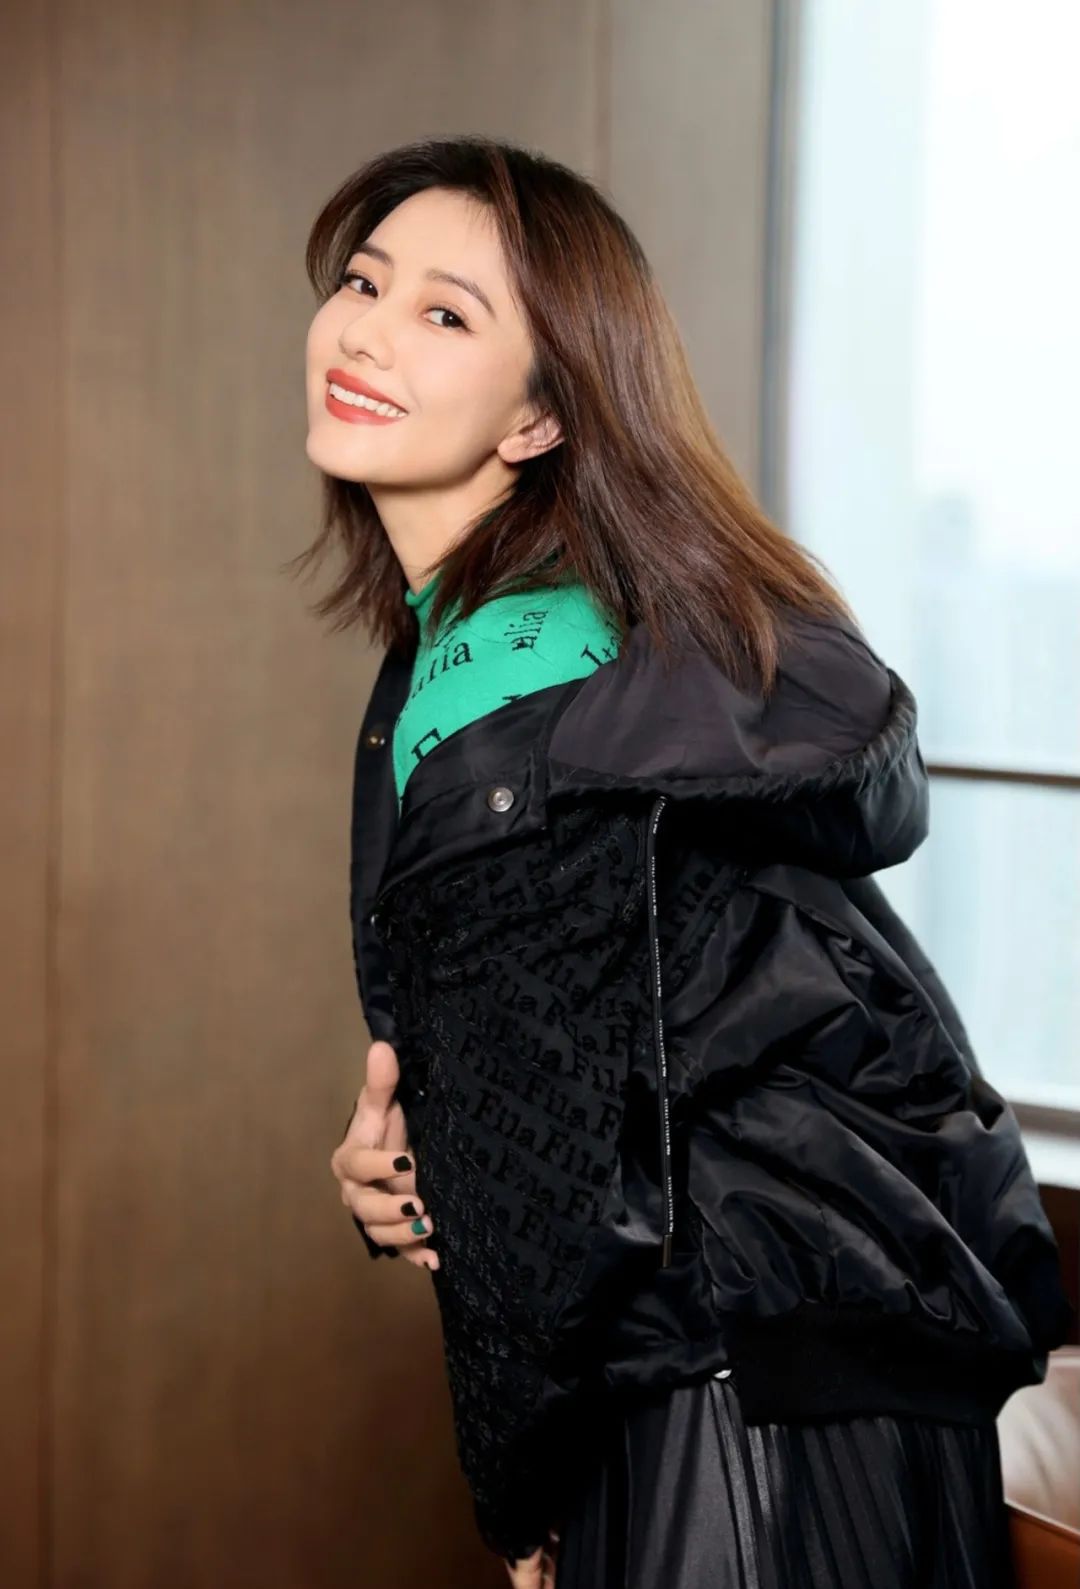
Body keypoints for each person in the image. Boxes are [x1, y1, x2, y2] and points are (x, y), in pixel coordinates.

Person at [305, 136, 1074, 1588]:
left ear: (540, 417)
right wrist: (429, 1162)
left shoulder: (505, 685)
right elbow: (605, 1058)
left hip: (729, 1404)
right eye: (362, 282)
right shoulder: (592, 645)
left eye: (445, 313)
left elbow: (548, 1191)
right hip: (835, 1368)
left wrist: (516, 1496)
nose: (366, 332)